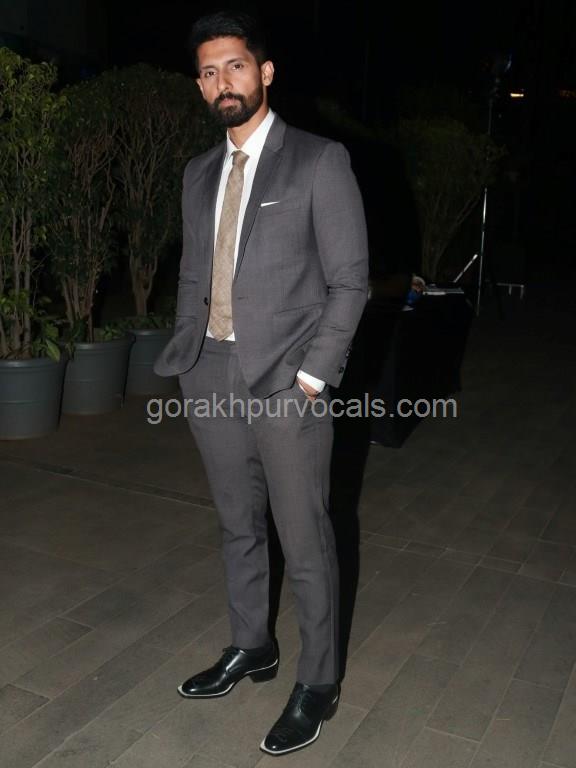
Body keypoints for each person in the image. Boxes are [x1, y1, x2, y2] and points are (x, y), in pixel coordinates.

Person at [154, 10, 368, 756]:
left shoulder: (318, 161)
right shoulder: (198, 172)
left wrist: (311, 378)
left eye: (236, 66)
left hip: (286, 381)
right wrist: (187, 357)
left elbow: (350, 283)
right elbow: (193, 273)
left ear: (265, 72)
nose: (224, 82)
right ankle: (253, 645)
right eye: (209, 72)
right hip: (210, 371)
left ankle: (319, 680)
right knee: (237, 524)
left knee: (304, 538)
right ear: (200, 85)